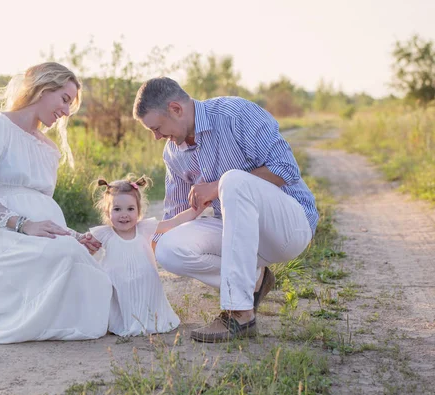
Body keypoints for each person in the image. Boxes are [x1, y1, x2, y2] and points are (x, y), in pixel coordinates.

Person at [131, 77, 319, 343]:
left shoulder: (236, 114)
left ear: (176, 108)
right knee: (168, 249)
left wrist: (217, 186)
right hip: (239, 234)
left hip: (288, 227)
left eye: (157, 128)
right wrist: (143, 251)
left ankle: (240, 314)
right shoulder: (173, 152)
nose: (157, 136)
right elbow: (176, 212)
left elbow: (286, 168)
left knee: (232, 180)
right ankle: (254, 278)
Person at [0, 62, 112, 343]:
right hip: (1, 236)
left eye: (70, 105)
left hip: (37, 234)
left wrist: (73, 235)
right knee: (69, 257)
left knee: (93, 265)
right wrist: (23, 225)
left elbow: (42, 209)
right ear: (43, 88)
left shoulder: (48, 148)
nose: (66, 111)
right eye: (64, 99)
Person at [89, 175, 206, 336]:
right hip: (119, 286)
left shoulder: (144, 228)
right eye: (117, 209)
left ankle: (150, 320)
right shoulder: (105, 234)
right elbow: (83, 249)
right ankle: (123, 322)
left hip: (146, 285)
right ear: (107, 212)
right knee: (121, 301)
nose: (124, 214)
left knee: (146, 298)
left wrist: (198, 208)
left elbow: (174, 222)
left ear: (139, 211)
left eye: (130, 209)